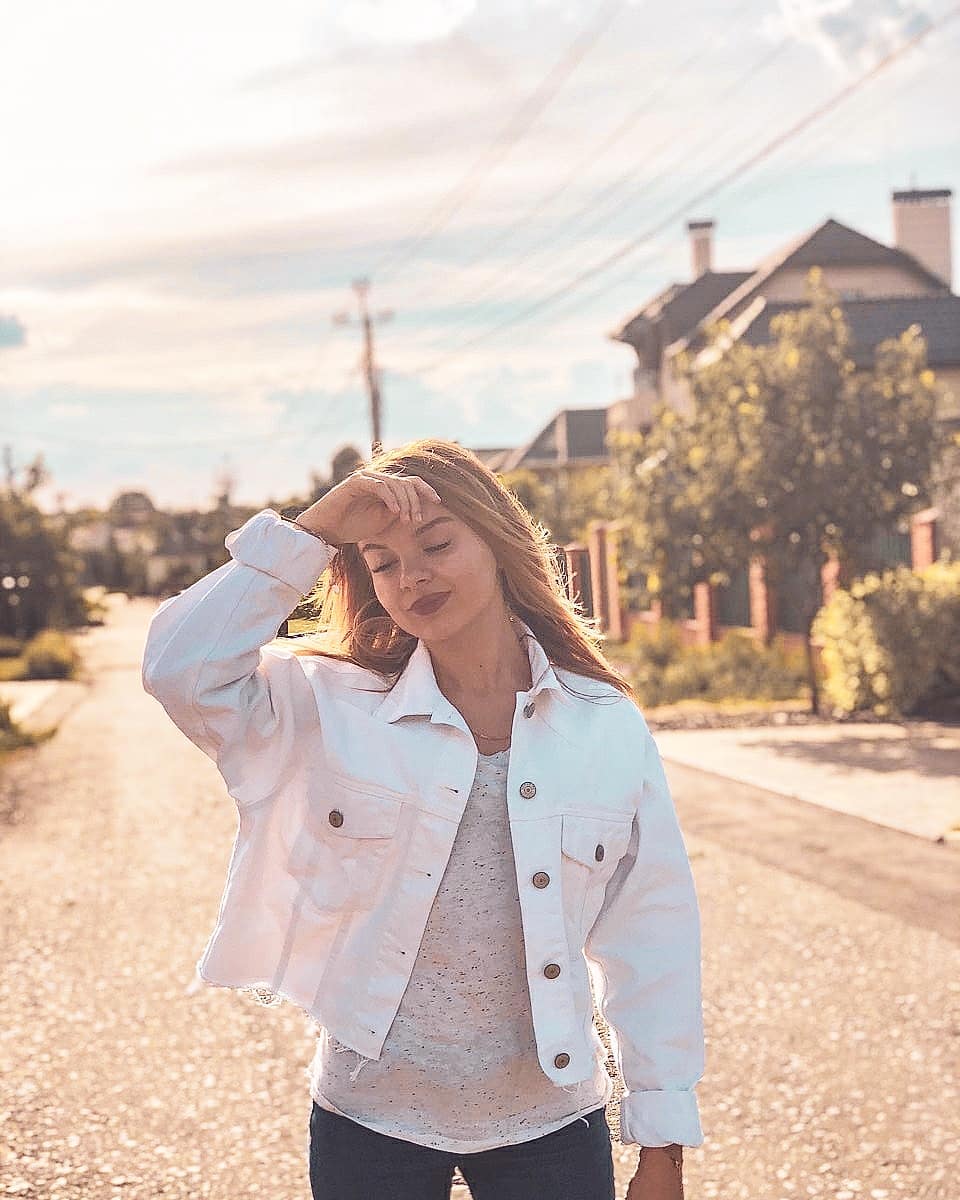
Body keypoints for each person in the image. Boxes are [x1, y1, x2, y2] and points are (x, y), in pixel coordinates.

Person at [141, 438, 705, 1200]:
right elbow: (180, 670)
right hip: (368, 1123)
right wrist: (313, 530)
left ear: (498, 543)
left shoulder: (602, 723)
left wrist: (663, 1145)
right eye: (383, 562)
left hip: (550, 1126)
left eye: (437, 546)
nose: (411, 578)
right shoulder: (329, 705)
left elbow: (653, 935)